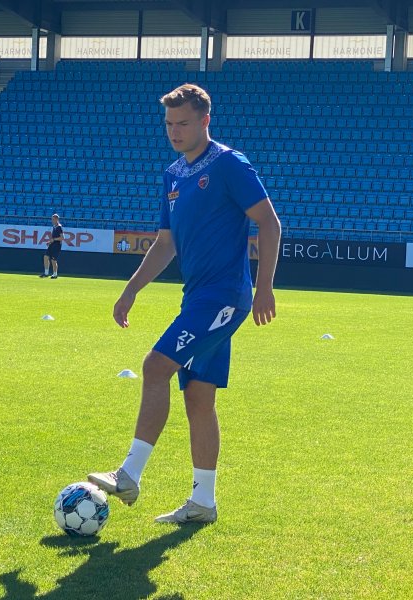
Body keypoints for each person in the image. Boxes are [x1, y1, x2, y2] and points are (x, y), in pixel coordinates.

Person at [88, 84, 280, 524]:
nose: (174, 131)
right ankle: (203, 502)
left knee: (155, 365)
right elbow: (165, 243)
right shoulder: (173, 173)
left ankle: (129, 473)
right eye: (169, 124)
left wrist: (265, 286)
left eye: (183, 123)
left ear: (205, 121)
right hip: (197, 297)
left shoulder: (230, 163)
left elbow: (269, 223)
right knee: (199, 397)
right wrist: (132, 288)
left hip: (225, 295)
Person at [40, 214, 64, 279]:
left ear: (56, 219)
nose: (52, 220)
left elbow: (62, 238)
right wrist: (50, 241)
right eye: (52, 219)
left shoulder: (59, 227)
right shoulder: (54, 226)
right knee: (45, 257)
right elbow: (53, 237)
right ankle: (46, 273)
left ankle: (55, 274)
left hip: (57, 245)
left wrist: (54, 239)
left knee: (53, 260)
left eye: (53, 219)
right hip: (52, 244)